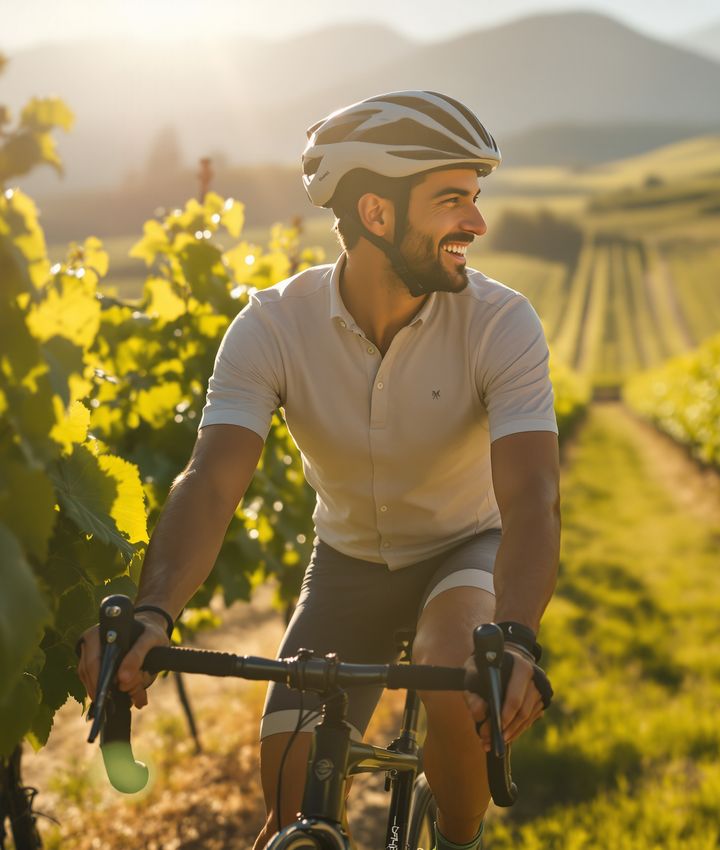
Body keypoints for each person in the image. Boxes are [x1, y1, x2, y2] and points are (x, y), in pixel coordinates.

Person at [77, 91, 561, 850]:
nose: (476, 223)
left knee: (459, 665)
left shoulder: (501, 323)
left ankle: (459, 835)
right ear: (376, 213)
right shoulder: (272, 325)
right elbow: (210, 483)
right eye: (452, 201)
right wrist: (152, 613)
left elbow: (532, 497)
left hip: (466, 547)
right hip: (347, 563)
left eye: (475, 199)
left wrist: (520, 640)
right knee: (290, 807)